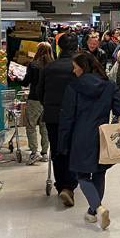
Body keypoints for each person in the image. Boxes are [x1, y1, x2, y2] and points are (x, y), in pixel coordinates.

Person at [59, 51, 120, 230]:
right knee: (99, 173)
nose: (74, 71)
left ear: (83, 67)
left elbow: (67, 118)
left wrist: (63, 142)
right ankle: (92, 212)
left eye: (75, 67)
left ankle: (98, 208)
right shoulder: (109, 84)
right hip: (102, 135)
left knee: (82, 175)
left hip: (80, 136)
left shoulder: (73, 88)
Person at [37, 33, 81, 207]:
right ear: (77, 47)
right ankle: (69, 186)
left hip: (53, 116)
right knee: (73, 149)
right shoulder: (80, 67)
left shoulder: (49, 67)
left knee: (57, 150)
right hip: (75, 115)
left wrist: (49, 106)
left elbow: (40, 92)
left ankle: (61, 184)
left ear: (59, 48)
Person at [19, 42, 53, 165]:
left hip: (34, 99)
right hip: (48, 100)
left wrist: (15, 78)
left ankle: (34, 152)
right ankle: (45, 152)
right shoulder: (53, 65)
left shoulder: (33, 65)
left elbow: (25, 82)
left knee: (31, 125)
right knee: (45, 127)